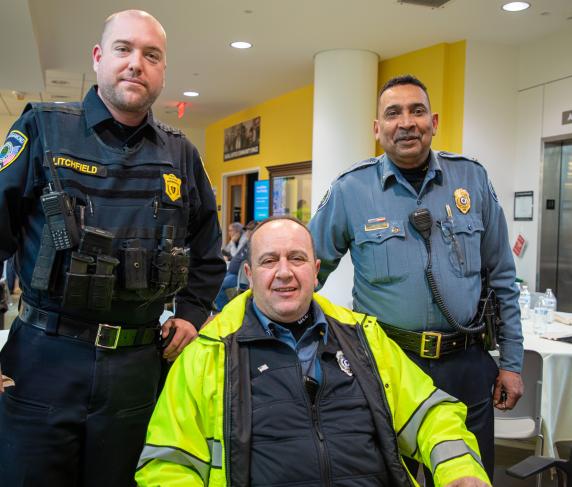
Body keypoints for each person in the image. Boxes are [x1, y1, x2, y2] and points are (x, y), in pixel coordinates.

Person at [0, 10, 225, 487]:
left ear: (163, 71)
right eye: (123, 49)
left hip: (138, 369)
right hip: (43, 361)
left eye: (151, 55)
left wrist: (192, 309)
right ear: (99, 58)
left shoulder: (180, 154)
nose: (135, 64)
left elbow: (209, 248)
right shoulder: (43, 130)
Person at [135, 216, 491, 487]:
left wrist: (460, 472)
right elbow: (168, 464)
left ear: (316, 271)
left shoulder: (364, 337)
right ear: (249, 273)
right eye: (269, 261)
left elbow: (432, 415)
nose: (285, 272)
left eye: (297, 259)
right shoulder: (208, 354)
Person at [308, 74, 523, 483]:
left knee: (469, 475)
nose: (406, 122)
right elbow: (307, 272)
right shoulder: (351, 189)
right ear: (377, 129)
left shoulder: (471, 180)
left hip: (465, 366)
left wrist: (511, 363)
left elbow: (502, 277)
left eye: (417, 110)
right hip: (387, 367)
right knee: (388, 476)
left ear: (434, 121)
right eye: (393, 113)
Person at [214, 220, 257, 310]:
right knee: (214, 280)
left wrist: (232, 241)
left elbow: (234, 254)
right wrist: (232, 242)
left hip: (238, 276)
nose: (247, 233)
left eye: (250, 231)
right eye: (247, 230)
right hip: (231, 272)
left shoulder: (252, 243)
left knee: (218, 286)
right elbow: (225, 250)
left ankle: (223, 311)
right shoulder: (247, 242)